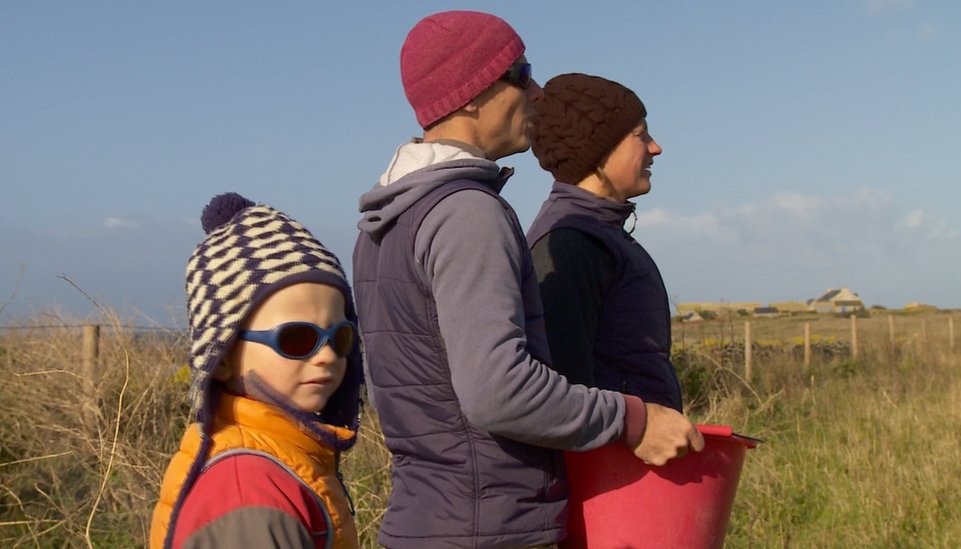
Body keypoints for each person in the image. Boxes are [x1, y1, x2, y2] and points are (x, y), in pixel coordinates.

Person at [352, 11, 703, 548]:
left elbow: (398, 395)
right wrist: (633, 419)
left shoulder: (385, 221)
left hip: (425, 524)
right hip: (491, 527)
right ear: (472, 94)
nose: (537, 92)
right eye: (522, 73)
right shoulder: (467, 212)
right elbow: (498, 392)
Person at [150, 192, 363, 549]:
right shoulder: (248, 495)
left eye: (340, 337)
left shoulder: (287, 459)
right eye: (297, 338)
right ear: (222, 357)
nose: (327, 355)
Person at [526, 73, 683, 411]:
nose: (655, 147)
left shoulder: (600, 233)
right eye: (640, 135)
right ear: (598, 151)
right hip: (619, 444)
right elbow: (566, 394)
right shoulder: (568, 245)